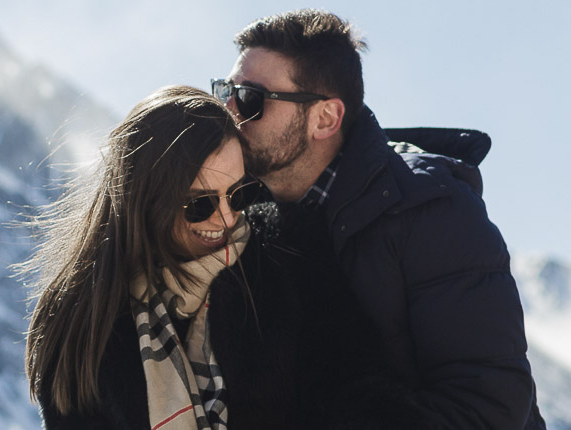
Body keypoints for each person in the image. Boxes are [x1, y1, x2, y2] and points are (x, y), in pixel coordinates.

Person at [212, 9, 547, 429]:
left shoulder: (432, 212)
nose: (228, 110)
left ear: (325, 118)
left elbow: (487, 408)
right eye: (225, 90)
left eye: (249, 98)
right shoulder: (233, 214)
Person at [19, 85, 425, 430]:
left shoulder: (288, 256)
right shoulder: (81, 319)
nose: (227, 218)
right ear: (145, 204)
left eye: (239, 193)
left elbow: (362, 392)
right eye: (199, 205)